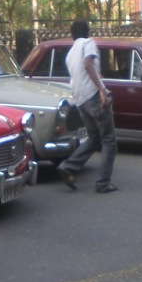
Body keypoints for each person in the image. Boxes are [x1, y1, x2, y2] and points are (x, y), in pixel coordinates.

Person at [56, 20, 118, 193]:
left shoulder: (70, 53)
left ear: (72, 35)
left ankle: (68, 166)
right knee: (109, 139)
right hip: (93, 95)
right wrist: (101, 89)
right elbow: (88, 63)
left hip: (80, 99)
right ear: (87, 32)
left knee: (94, 137)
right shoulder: (88, 43)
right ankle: (103, 182)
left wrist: (97, 75)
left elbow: (84, 70)